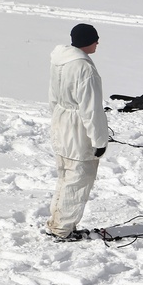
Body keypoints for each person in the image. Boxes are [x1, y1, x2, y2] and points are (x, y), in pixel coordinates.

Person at [46, 23, 109, 241]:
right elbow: (91, 110)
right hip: (77, 131)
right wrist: (100, 140)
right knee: (78, 179)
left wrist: (56, 120)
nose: (98, 43)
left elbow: (52, 95)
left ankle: (56, 224)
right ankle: (62, 230)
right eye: (95, 39)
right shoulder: (85, 69)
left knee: (65, 176)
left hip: (61, 123)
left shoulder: (59, 61)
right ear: (87, 41)